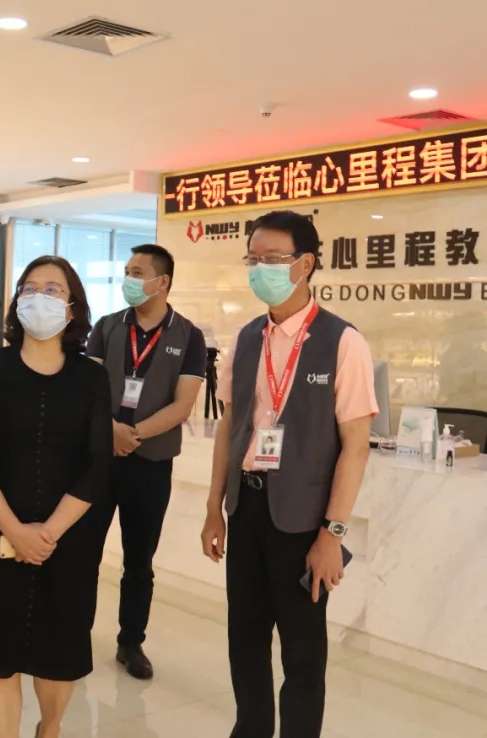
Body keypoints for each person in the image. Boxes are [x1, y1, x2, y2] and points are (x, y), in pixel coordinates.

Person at [201, 210, 376, 738]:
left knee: (302, 651)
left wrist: (332, 534)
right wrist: (214, 508)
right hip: (248, 507)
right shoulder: (247, 337)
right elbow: (231, 426)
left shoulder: (343, 342)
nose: (260, 269)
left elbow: (356, 448)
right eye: (253, 258)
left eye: (273, 259)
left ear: (305, 264)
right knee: (245, 638)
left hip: (303, 521)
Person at [0, 256, 112, 738]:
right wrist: (15, 531)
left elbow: (98, 462)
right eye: (30, 288)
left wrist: (47, 533)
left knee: (58, 651)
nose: (40, 297)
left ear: (73, 306)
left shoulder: (91, 377)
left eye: (53, 289)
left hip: (67, 537)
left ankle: (50, 728)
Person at [87, 244, 206, 680]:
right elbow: (88, 389)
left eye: (137, 272)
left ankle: (130, 642)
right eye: (127, 271)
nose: (129, 279)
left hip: (151, 461)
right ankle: (74, 630)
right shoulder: (107, 326)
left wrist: (132, 434)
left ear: (162, 281)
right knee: (85, 550)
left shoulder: (189, 336)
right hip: (99, 458)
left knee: (139, 560)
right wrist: (110, 431)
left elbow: (183, 405)